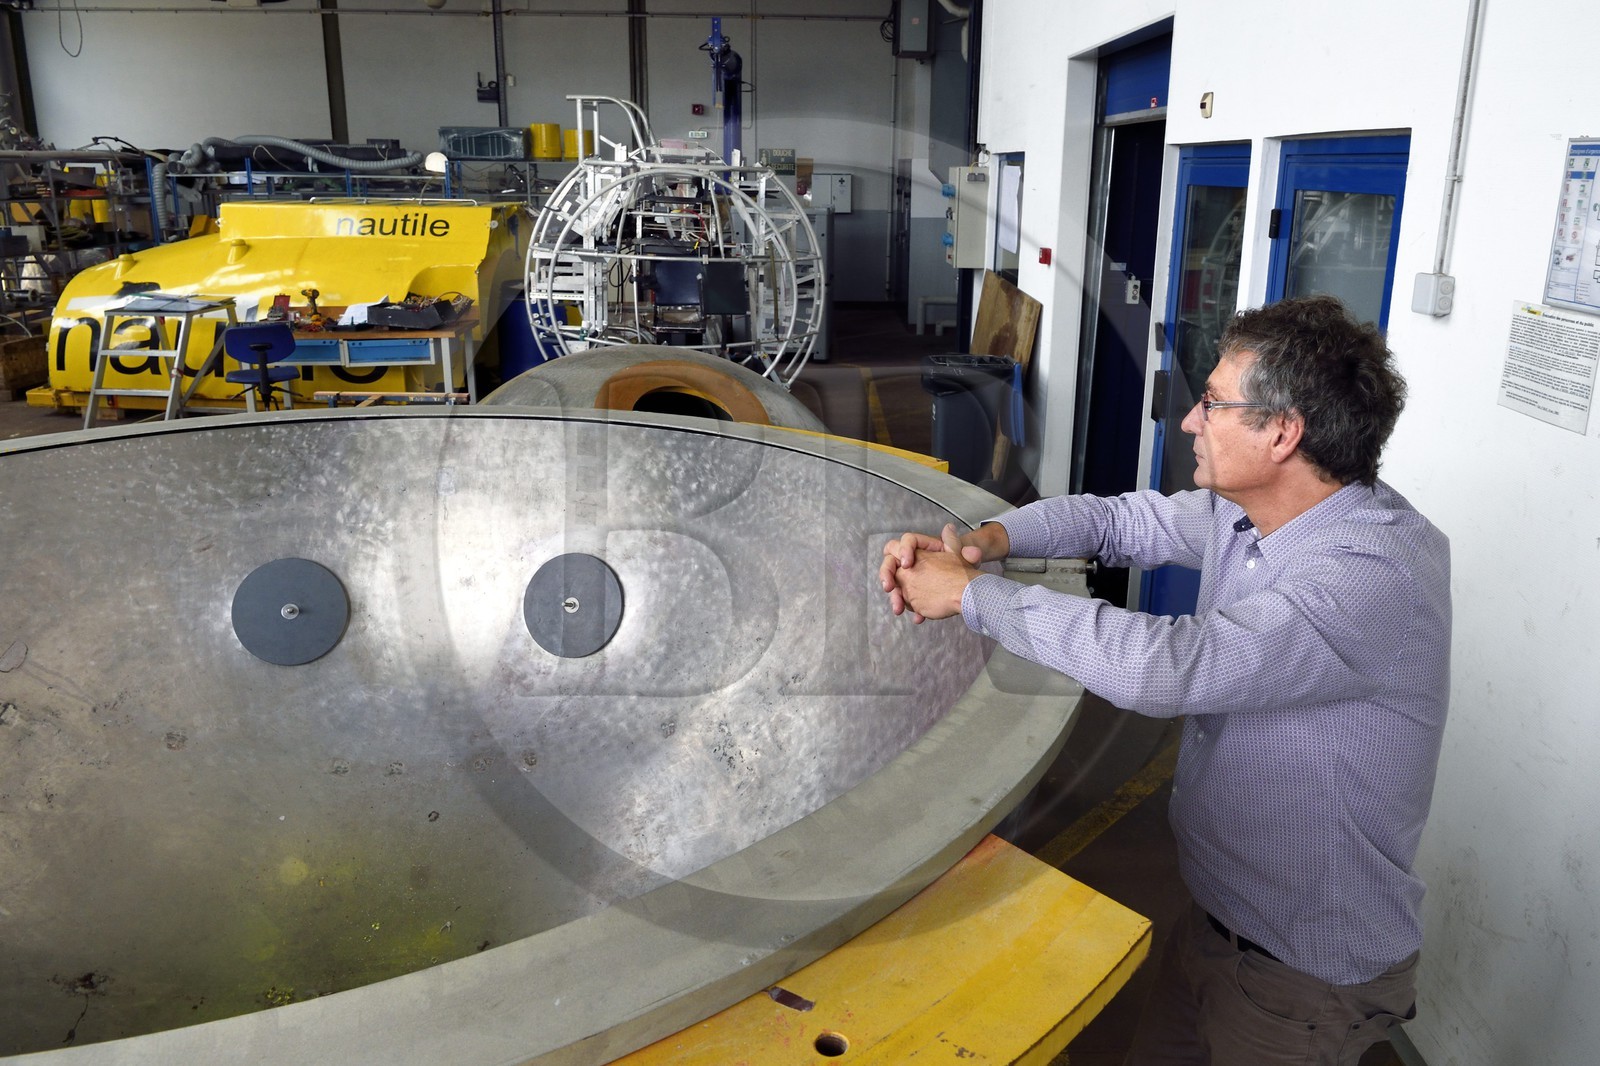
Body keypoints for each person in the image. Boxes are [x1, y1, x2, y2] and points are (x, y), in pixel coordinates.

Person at [879, 294, 1451, 1066]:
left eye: (1212, 403)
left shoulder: (1371, 573)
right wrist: (990, 541)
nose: (1189, 420)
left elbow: (1168, 668)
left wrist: (971, 596)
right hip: (1214, 924)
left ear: (1282, 433)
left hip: (1301, 978)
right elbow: (1120, 522)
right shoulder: (1247, 517)